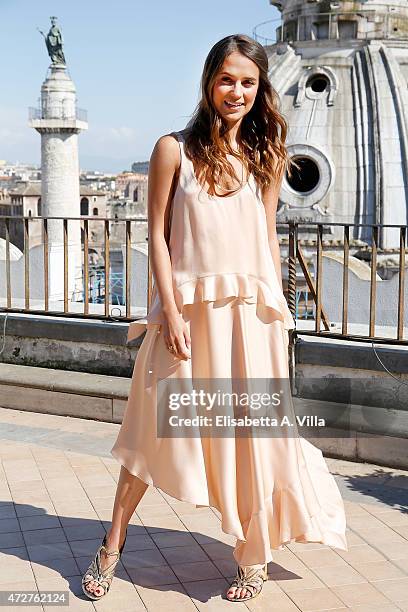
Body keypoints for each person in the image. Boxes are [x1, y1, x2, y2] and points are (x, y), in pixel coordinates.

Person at [82, 34, 348, 603]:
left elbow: (267, 242)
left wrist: (280, 316)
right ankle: (111, 545)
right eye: (228, 79)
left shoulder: (265, 154)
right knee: (153, 433)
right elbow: (155, 234)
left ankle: (254, 556)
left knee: (256, 441)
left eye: (248, 82)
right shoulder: (172, 149)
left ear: (260, 89)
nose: (237, 91)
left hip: (253, 323)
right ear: (209, 81)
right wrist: (170, 312)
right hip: (188, 320)